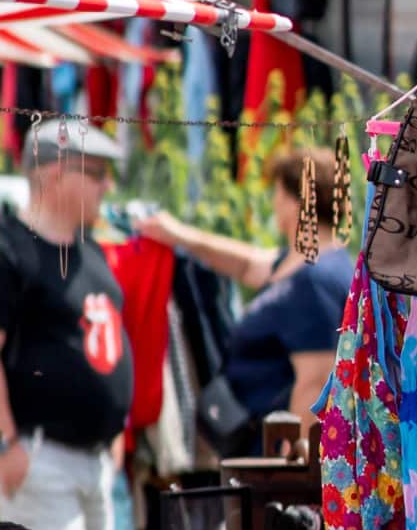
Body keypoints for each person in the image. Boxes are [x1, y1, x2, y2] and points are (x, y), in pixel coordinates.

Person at [0, 119, 133, 530]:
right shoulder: (0, 252)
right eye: (96, 172)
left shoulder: (93, 253)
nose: (107, 186)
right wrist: (6, 445)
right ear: (54, 172)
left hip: (93, 459)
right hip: (36, 454)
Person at [140, 148, 352, 446]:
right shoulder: (301, 265)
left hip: (283, 460)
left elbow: (314, 384)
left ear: (296, 203)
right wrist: (179, 236)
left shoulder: (316, 281)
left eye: (278, 192)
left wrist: (291, 471)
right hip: (260, 443)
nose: (274, 202)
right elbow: (246, 263)